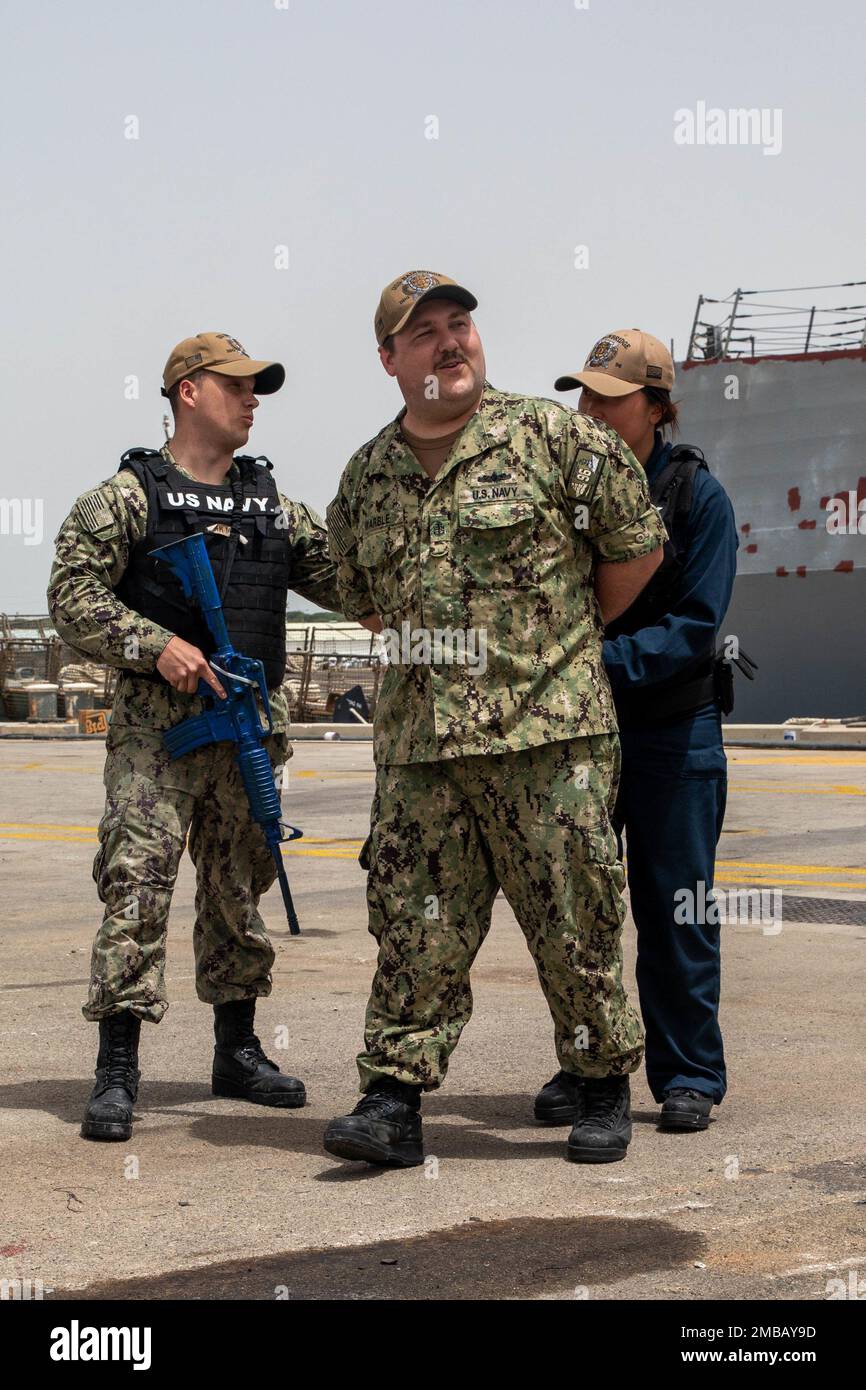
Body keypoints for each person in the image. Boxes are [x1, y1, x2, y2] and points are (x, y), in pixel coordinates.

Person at [322, 271, 666, 1168]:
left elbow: (635, 549)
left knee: (573, 915)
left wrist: (556, 646)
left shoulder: (554, 438)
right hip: (420, 750)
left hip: (547, 737)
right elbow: (362, 596)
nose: (451, 343)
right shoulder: (366, 476)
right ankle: (392, 1101)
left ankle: (599, 1086)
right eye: (426, 332)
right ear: (390, 359)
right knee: (410, 924)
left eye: (460, 324)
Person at [47, 332, 343, 1141]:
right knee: (137, 883)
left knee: (238, 887)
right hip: (158, 733)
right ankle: (117, 1068)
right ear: (187, 392)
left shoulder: (273, 506)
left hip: (246, 725)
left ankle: (237, 1052)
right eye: (237, 386)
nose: (253, 400)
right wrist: (157, 645)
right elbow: (71, 593)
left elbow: (350, 575)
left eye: (258, 389)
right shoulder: (128, 497)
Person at [542, 329, 738, 1131]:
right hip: (583, 736)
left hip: (671, 731)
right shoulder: (568, 493)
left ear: (655, 407)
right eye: (582, 395)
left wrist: (590, 664)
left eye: (607, 397)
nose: (588, 410)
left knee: (675, 906)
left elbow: (696, 625)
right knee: (578, 912)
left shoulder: (698, 499)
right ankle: (589, 1065)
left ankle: (689, 1073)